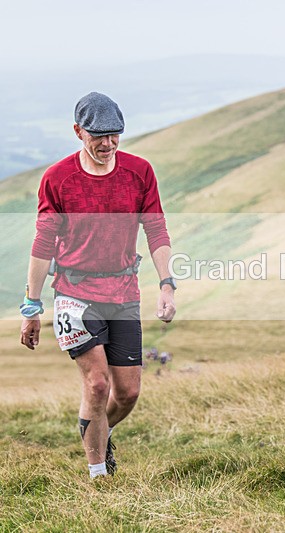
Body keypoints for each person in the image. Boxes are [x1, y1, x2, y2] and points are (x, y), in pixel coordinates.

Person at [19, 92, 177, 479]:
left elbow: (155, 228)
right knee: (97, 384)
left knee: (128, 393)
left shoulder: (139, 172)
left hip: (123, 294)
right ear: (78, 132)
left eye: (115, 135)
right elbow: (42, 243)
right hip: (74, 296)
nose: (107, 143)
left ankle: (96, 432)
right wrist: (32, 305)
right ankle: (98, 477)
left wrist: (167, 284)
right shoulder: (58, 178)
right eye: (98, 135)